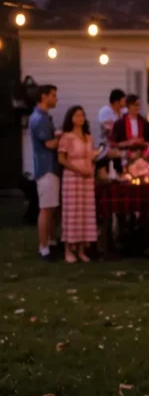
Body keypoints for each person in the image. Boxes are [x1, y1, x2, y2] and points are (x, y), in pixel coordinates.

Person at [57, 105, 98, 263]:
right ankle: (69, 248)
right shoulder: (67, 137)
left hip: (87, 178)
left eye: (82, 115)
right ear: (71, 118)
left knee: (85, 212)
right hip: (72, 178)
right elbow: (61, 159)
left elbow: (90, 155)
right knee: (72, 212)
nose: (80, 118)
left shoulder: (88, 137)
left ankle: (81, 248)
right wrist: (78, 170)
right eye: (77, 116)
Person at [28, 84, 61, 260]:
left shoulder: (45, 117)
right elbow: (50, 144)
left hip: (51, 168)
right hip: (46, 168)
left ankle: (50, 242)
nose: (56, 99)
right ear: (44, 96)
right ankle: (43, 248)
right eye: (53, 95)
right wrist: (63, 137)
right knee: (46, 209)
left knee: (52, 208)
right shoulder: (39, 119)